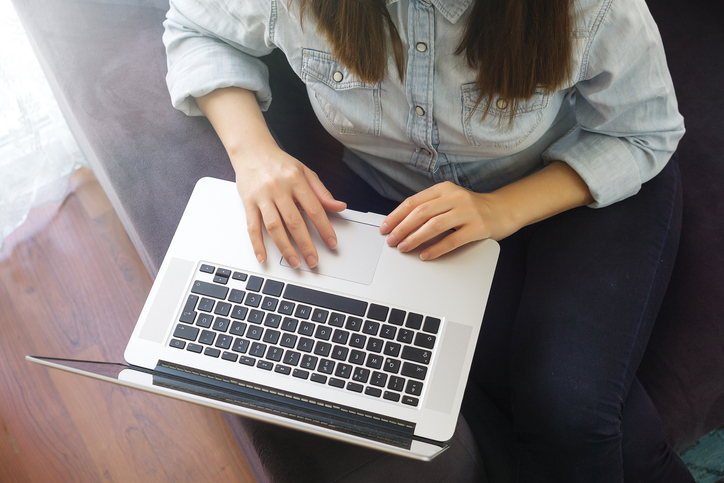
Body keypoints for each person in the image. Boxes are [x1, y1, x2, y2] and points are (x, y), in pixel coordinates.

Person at [163, 0, 694, 481]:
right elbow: (196, 27)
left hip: (580, 183)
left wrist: (498, 210)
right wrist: (254, 153)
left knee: (571, 412)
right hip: (428, 219)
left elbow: (642, 132)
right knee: (589, 424)